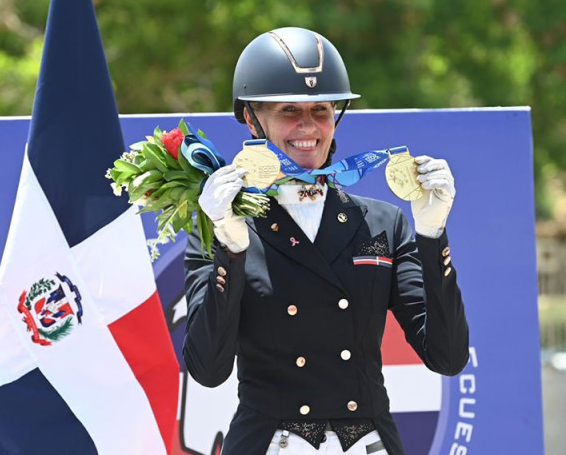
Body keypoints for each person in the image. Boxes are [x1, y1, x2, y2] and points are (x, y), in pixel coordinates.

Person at [182, 27, 469, 455]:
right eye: (288, 111)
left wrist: (432, 234)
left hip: (367, 442)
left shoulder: (383, 223)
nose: (308, 127)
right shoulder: (218, 223)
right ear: (251, 118)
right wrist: (231, 247)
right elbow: (208, 369)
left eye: (321, 110)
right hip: (269, 442)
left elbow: (446, 357)